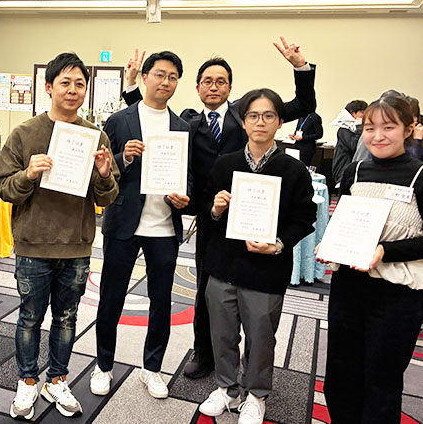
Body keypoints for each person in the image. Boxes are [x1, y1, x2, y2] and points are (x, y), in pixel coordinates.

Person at [121, 37, 317, 380]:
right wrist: (131, 83)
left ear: (230, 88)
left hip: (251, 215)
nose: (214, 87)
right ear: (197, 88)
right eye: (207, 81)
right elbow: (146, 115)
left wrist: (300, 67)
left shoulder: (248, 115)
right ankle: (205, 352)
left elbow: (303, 104)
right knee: (206, 288)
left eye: (221, 81)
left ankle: (252, 362)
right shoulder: (188, 122)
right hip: (208, 216)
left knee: (252, 290)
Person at [0, 52, 119, 420]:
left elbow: (107, 197)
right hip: (34, 244)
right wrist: (28, 174)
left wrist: (104, 174)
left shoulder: (96, 136)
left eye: (80, 83)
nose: (73, 90)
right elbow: (3, 187)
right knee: (30, 318)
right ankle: (27, 381)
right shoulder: (25, 133)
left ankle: (57, 380)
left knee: (67, 318)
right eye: (65, 82)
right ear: (49, 87)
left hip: (77, 245)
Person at [198, 88, 316, 424]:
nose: (260, 122)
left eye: (268, 116)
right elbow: (205, 206)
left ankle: (256, 394)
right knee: (221, 333)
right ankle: (226, 388)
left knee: (261, 337)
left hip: (266, 269)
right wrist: (215, 208)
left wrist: (278, 244)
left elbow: (304, 219)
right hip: (223, 265)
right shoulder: (226, 163)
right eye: (253, 115)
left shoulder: (293, 169)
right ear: (243, 122)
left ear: (279, 122)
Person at [91, 51, 193, 399]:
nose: (166, 82)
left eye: (173, 77)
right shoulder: (120, 120)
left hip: (163, 226)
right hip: (124, 222)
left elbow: (187, 175)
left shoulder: (181, 127)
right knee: (111, 297)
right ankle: (103, 365)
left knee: (161, 302)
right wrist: (124, 157)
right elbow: (102, 168)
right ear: (145, 78)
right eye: (160, 74)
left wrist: (184, 195)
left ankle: (152, 369)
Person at [321, 94, 423, 424]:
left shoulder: (420, 176)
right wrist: (330, 245)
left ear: (409, 129)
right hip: (348, 287)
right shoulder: (355, 171)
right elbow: (344, 219)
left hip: (396, 294)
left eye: (388, 127)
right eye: (369, 128)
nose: (377, 136)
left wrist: (386, 251)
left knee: (382, 378)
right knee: (341, 372)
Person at [330, 99, 367, 187]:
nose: (365, 116)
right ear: (353, 113)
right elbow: (354, 145)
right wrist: (359, 126)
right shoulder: (344, 129)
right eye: (362, 113)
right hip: (343, 168)